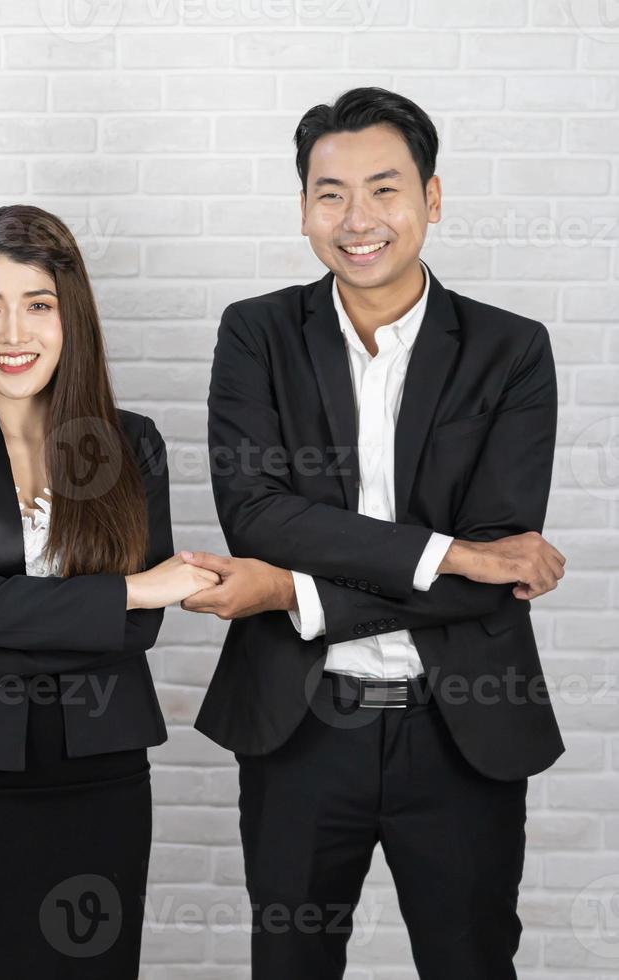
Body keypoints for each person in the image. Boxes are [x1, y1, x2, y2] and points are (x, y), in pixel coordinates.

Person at [186, 87, 567, 979]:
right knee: (291, 963)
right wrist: (452, 552)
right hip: (301, 731)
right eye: (331, 194)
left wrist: (291, 589)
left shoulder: (511, 350)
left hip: (462, 729)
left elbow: (495, 575)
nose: (357, 219)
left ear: (432, 198)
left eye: (385, 189)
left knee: (471, 961)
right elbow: (259, 514)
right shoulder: (258, 335)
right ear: (305, 208)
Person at [0, 204, 220, 977]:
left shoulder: (132, 445)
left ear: (73, 316)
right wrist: (127, 591)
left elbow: (139, 633)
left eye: (38, 306)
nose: (12, 334)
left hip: (98, 773)